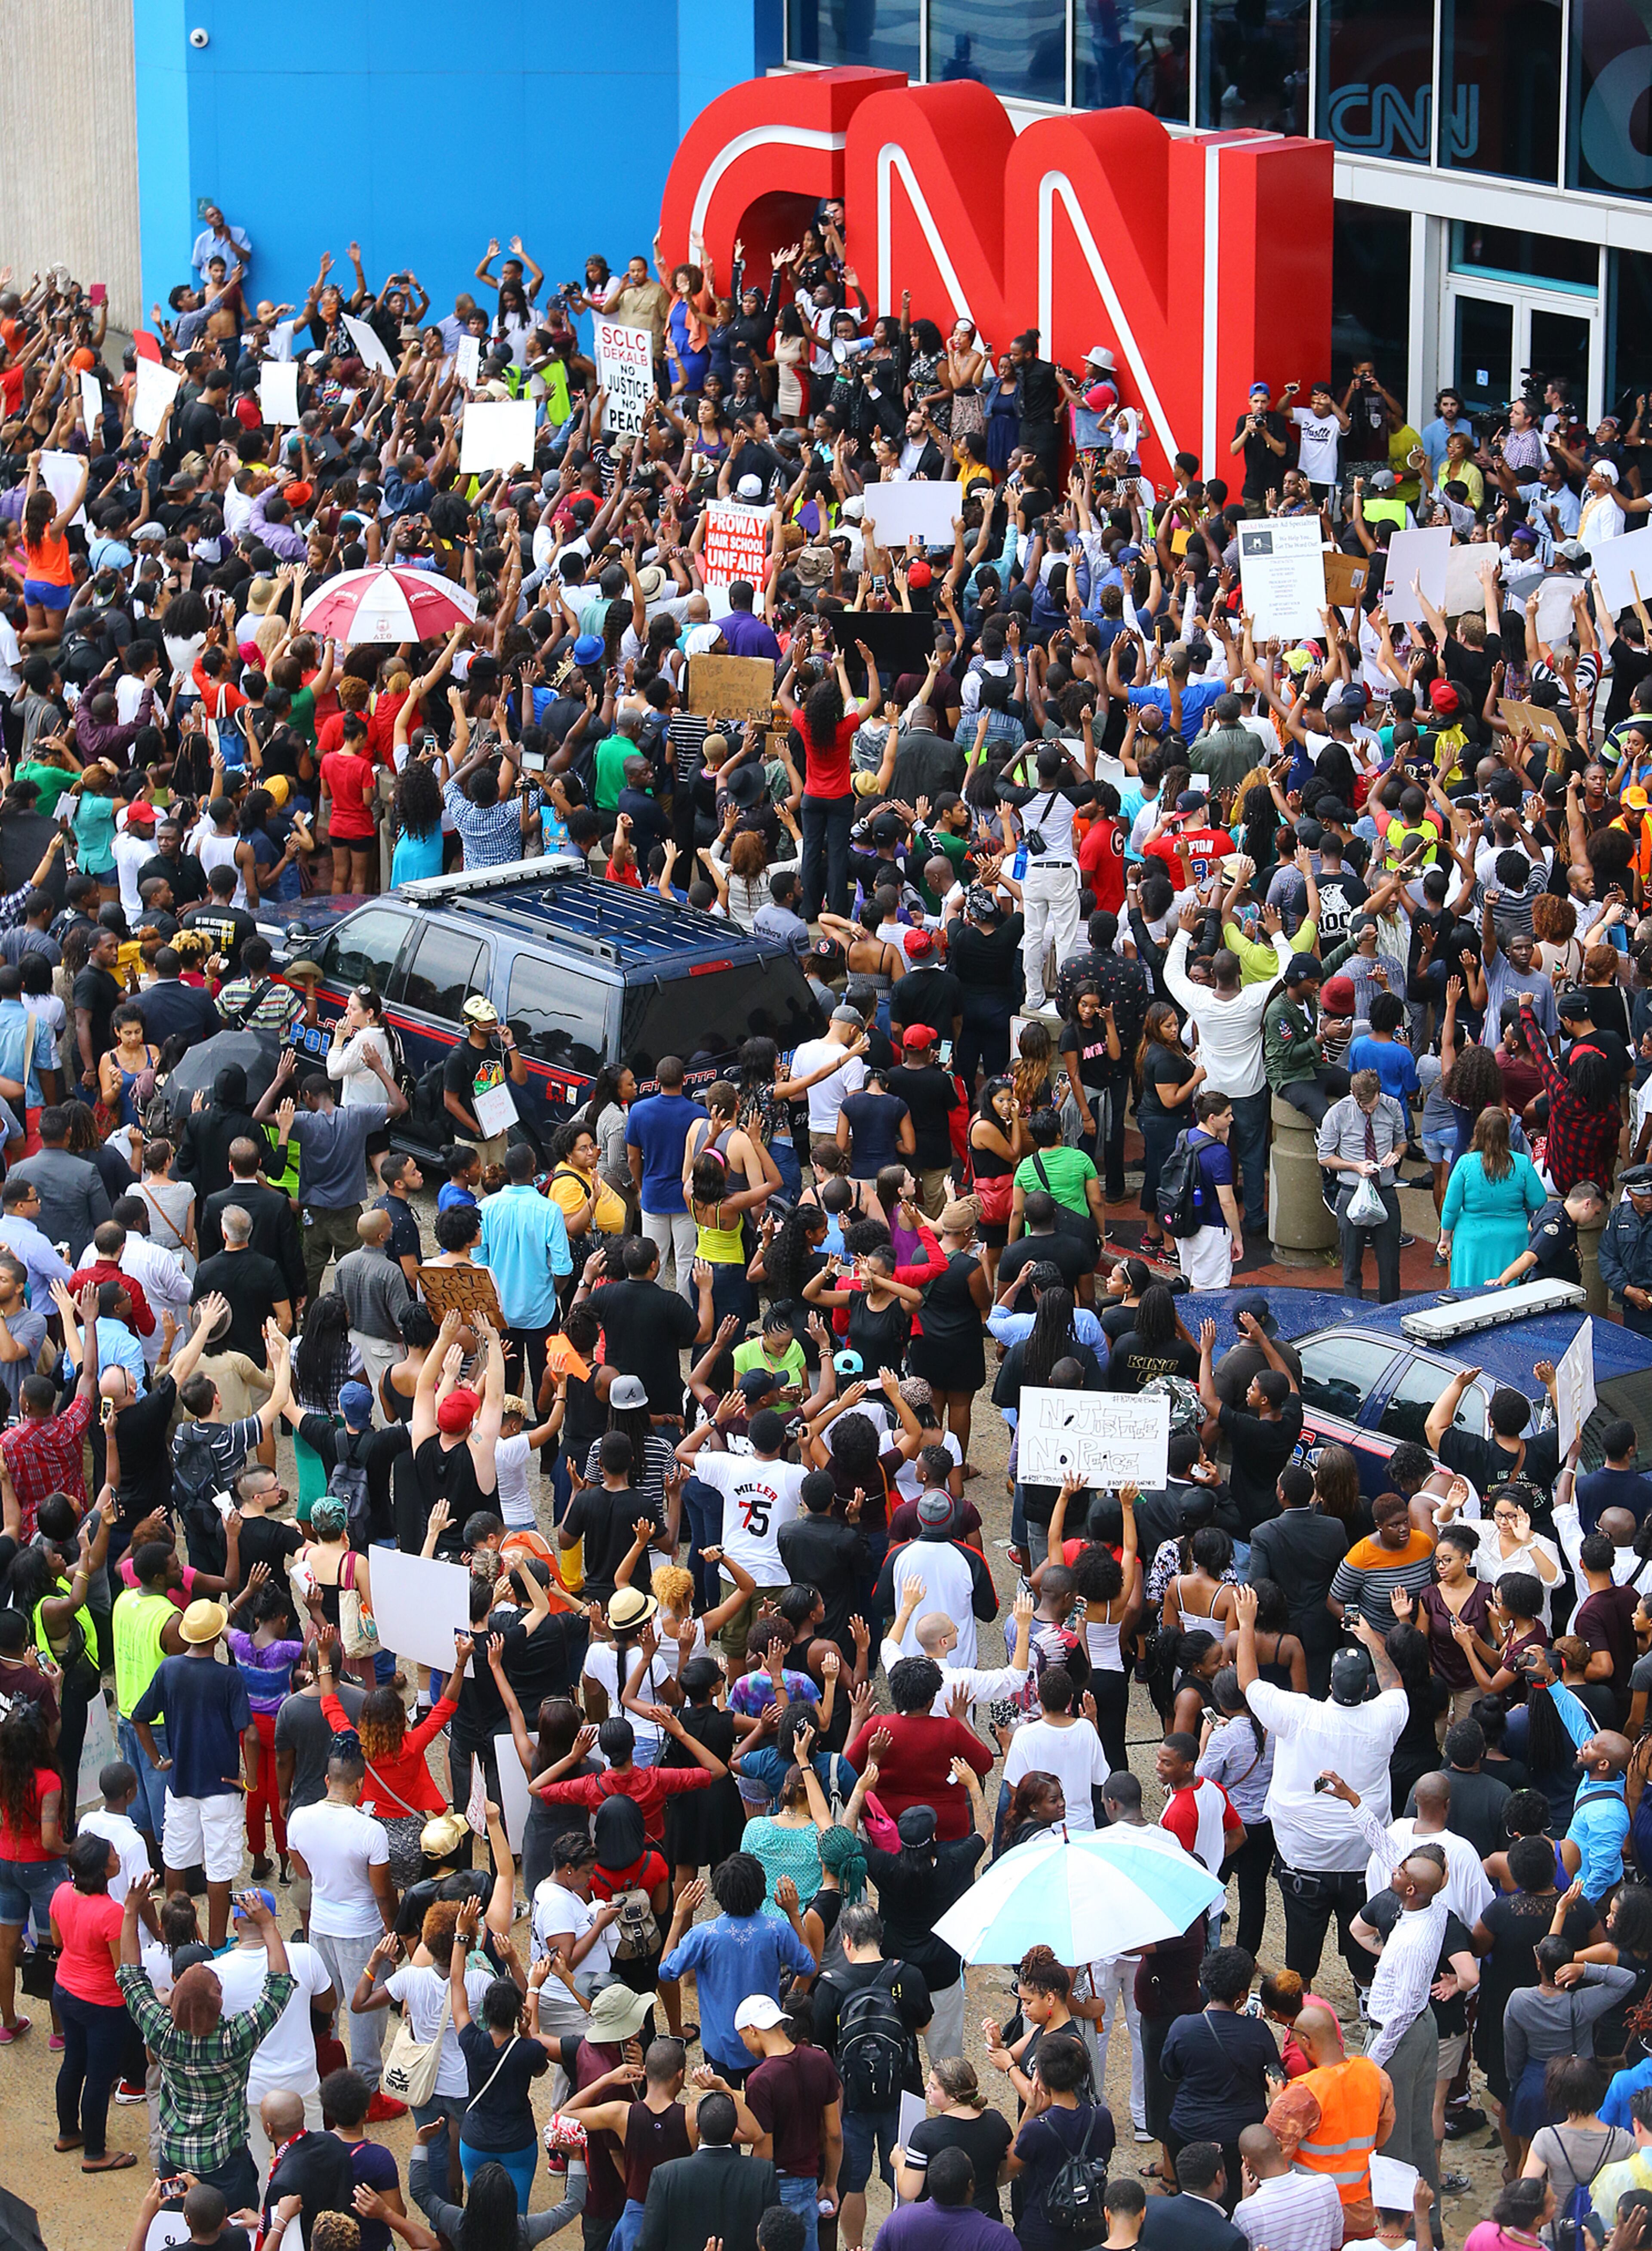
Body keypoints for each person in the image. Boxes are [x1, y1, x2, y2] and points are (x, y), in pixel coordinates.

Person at [1233, 1588, 1409, 1990]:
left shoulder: (1299, 1713)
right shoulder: (1386, 1717)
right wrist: (1370, 1638)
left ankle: (1304, 2010)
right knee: (1367, 1949)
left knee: (1301, 1954)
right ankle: (1368, 2003)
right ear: (1366, 1689)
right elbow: (1394, 1683)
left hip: (1303, 1855)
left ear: (1329, 1682)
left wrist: (1246, 1624)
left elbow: (1248, 1681)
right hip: (1361, 1857)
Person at [117, 1871, 298, 2214]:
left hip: (175, 2159)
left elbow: (130, 1977)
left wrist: (131, 1911)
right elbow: (278, 1988)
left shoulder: (162, 2030)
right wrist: (269, 1926)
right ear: (219, 2003)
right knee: (236, 2228)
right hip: (225, 2162)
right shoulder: (234, 2039)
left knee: (181, 2229)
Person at [286, 1731, 401, 2105]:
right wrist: (394, 1934)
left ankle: (327, 2075)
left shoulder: (300, 1818)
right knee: (367, 2009)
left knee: (325, 2005)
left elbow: (302, 1870)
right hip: (362, 1930)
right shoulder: (371, 1830)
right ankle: (368, 2091)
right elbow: (383, 1892)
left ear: (326, 1780)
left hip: (320, 1924)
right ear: (361, 1784)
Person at [814, 1900, 934, 2251]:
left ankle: (854, 2246)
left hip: (850, 2100)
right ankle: (904, 2243)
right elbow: (925, 2027)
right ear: (880, 1938)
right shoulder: (908, 1975)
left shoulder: (832, 1986)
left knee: (854, 2182)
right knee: (907, 2177)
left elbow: (821, 2048)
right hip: (905, 2094)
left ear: (846, 1941)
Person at [739, 1993, 844, 2251]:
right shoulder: (820, 2061)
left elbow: (764, 2148)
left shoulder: (760, 2080)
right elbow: (834, 2134)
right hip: (808, 2184)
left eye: (742, 2037)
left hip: (776, 2186)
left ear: (752, 2031)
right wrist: (830, 2183)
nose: (744, 2045)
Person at [635, 2089, 779, 2251]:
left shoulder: (666, 2176)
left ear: (697, 2128)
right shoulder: (763, 2174)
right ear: (734, 2131)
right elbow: (773, 2239)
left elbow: (648, 2245)